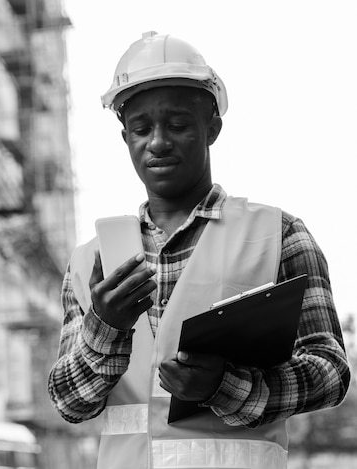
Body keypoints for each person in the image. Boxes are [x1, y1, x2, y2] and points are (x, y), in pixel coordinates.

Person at [47, 31, 351, 469]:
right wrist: (106, 328)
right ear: (125, 138)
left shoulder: (280, 235)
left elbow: (331, 373)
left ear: (212, 128)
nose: (158, 142)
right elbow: (69, 403)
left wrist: (225, 387)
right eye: (141, 129)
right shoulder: (89, 262)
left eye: (178, 125)